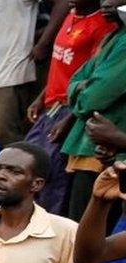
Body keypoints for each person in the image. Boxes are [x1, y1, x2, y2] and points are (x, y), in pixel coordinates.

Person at [25, 0, 115, 216]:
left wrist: (71, 119)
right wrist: (41, 96)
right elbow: (62, 65)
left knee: (54, 178)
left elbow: (93, 78)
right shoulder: (70, 16)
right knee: (33, 163)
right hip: (51, 107)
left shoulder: (102, 25)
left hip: (70, 110)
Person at [60, 1, 126, 223]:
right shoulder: (115, 36)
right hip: (91, 147)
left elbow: (93, 98)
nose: (106, 2)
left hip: (102, 152)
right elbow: (76, 79)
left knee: (86, 233)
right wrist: (79, 89)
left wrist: (80, 91)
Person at [0, 0, 41, 147]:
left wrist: (44, 41)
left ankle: (13, 169)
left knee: (7, 136)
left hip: (12, 71)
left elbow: (62, 4)